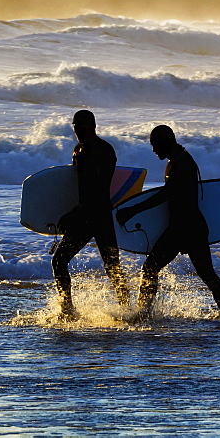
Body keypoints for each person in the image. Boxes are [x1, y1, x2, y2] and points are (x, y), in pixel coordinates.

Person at [116, 125, 220, 319]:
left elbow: (167, 193)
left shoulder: (183, 162)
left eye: (155, 145)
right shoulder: (175, 160)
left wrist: (133, 210)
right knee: (157, 269)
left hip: (188, 227)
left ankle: (143, 314)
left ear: (165, 142)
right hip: (182, 226)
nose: (153, 150)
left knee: (199, 273)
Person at [51, 110, 129, 318]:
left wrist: (75, 213)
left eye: (82, 127)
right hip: (87, 213)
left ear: (92, 126)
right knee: (59, 261)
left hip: (97, 214)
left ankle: (128, 310)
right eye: (75, 127)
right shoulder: (79, 150)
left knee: (112, 266)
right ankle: (67, 308)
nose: (78, 131)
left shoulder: (103, 150)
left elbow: (98, 188)